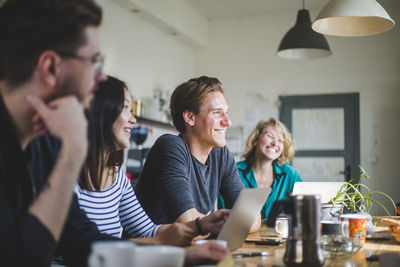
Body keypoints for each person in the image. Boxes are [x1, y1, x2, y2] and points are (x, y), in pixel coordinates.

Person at [0, 1, 228, 266]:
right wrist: (70, 160)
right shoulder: (54, 151)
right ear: (50, 67)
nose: (98, 79)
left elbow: (84, 241)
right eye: (92, 62)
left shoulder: (41, 147)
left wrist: (179, 257)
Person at [75, 75, 230, 246]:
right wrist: (170, 237)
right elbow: (81, 245)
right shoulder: (66, 177)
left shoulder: (117, 177)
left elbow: (147, 231)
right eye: (125, 107)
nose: (133, 119)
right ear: (99, 111)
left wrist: (201, 225)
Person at [135, 76, 260, 232]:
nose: (228, 122)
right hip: (148, 252)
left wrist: (241, 220)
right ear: (190, 117)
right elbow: (187, 221)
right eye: (217, 113)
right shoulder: (171, 147)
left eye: (226, 112)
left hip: (187, 248)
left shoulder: (220, 154)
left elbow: (252, 217)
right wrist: (236, 223)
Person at [234, 118, 302, 220]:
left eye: (280, 140)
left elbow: (303, 209)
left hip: (279, 234)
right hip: (240, 234)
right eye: (270, 136)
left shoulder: (290, 175)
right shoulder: (234, 172)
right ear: (255, 140)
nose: (275, 143)